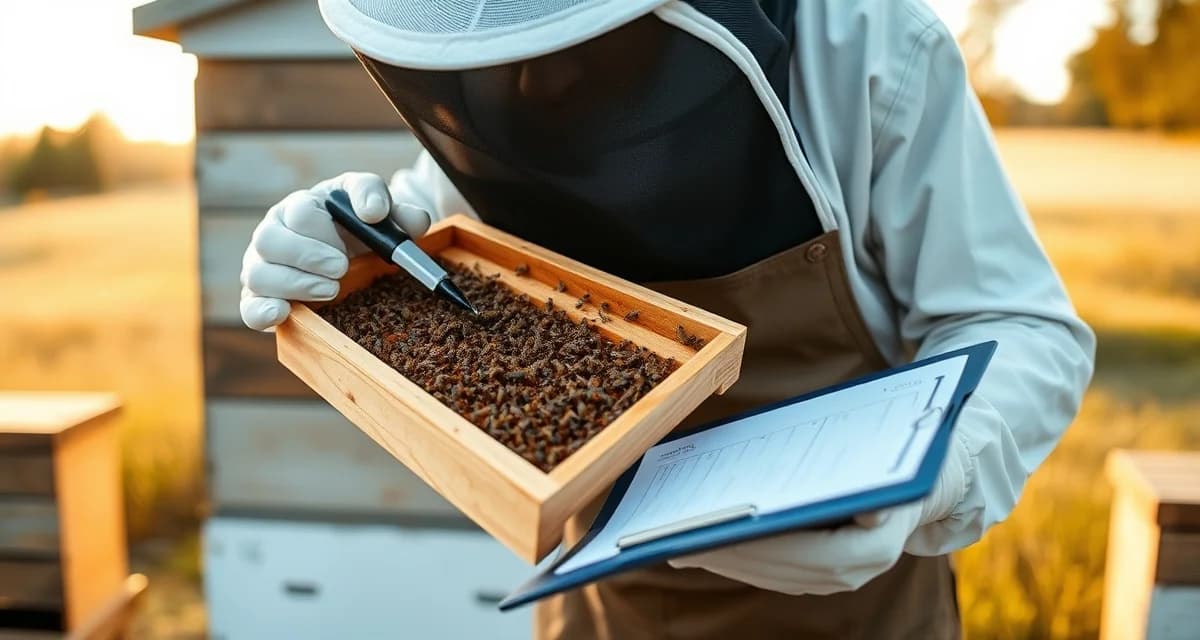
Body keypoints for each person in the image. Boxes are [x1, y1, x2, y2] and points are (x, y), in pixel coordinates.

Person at [238, 0, 1096, 637]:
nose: (545, 81)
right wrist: (363, 245)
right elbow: (445, 222)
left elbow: (1021, 322)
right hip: (605, 608)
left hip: (855, 615)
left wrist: (937, 471)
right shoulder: (488, 69)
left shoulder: (867, 42)